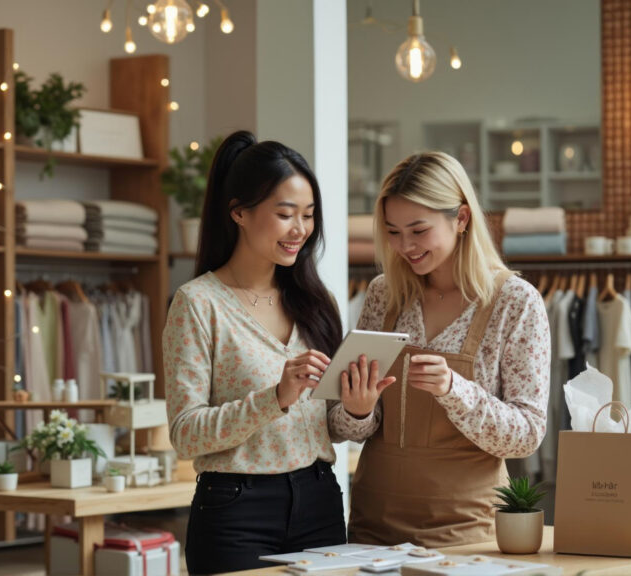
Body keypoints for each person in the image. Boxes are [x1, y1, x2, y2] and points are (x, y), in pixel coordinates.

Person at [329, 151, 550, 547]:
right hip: (374, 524)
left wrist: (454, 390)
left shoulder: (515, 301)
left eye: (418, 230)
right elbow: (344, 428)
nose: (405, 246)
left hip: (468, 529)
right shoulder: (384, 294)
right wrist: (356, 409)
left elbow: (527, 435)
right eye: (393, 232)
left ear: (461, 218)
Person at [164, 131, 351, 573]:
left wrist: (357, 410)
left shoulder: (316, 302)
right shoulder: (197, 303)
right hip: (235, 513)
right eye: (285, 214)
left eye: (308, 215)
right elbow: (185, 433)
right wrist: (275, 398)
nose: (300, 229)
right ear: (239, 213)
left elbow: (332, 426)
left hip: (321, 500)